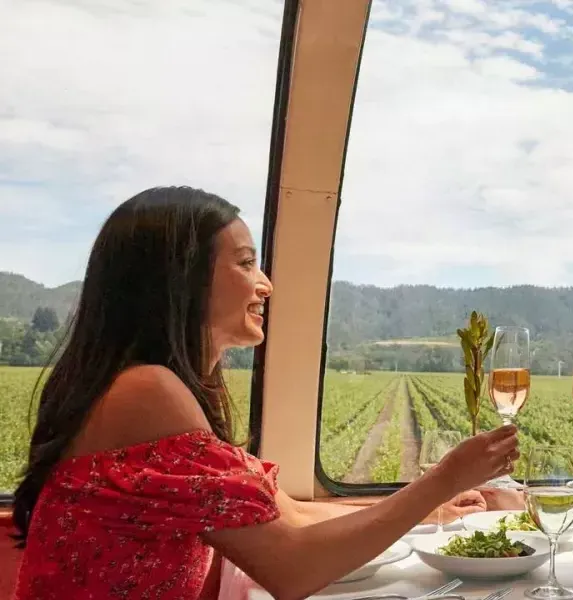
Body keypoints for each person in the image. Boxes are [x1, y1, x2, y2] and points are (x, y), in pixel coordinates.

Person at [11, 186, 519, 600]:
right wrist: (442, 480)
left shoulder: (146, 387)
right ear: (181, 279)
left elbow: (290, 515)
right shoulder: (146, 391)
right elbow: (290, 569)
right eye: (246, 263)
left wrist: (434, 507)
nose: (266, 284)